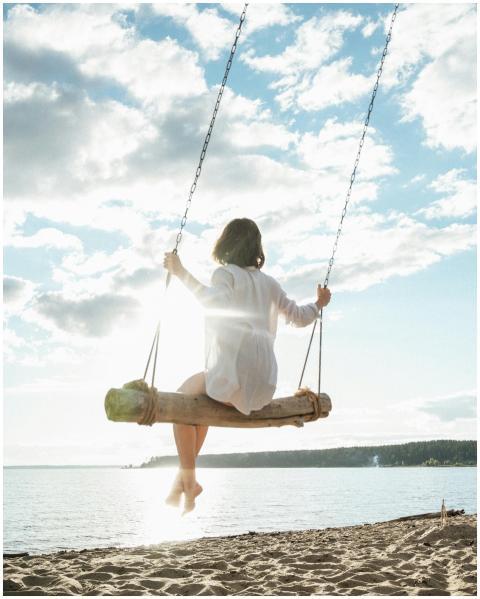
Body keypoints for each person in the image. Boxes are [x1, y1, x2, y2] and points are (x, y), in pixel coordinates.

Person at [163, 218, 331, 514]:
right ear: (256, 248)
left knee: (183, 399)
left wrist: (180, 272)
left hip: (232, 376)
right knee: (199, 411)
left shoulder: (225, 275)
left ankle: (187, 478)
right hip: (264, 383)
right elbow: (300, 316)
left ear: (225, 244)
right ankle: (186, 481)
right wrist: (318, 304)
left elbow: (210, 301)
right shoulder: (270, 284)